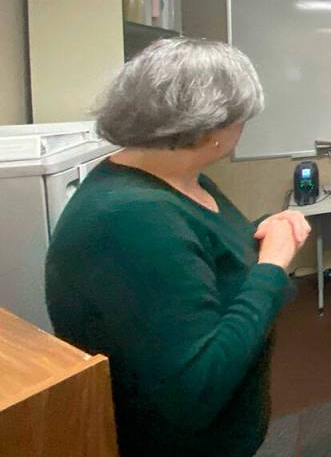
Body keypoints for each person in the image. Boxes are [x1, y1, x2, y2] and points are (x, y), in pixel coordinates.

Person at [45, 37, 311, 457]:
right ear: (210, 130)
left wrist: (264, 231)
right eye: (240, 119)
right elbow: (196, 390)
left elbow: (208, 254)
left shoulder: (179, 177)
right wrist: (273, 266)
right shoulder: (129, 220)